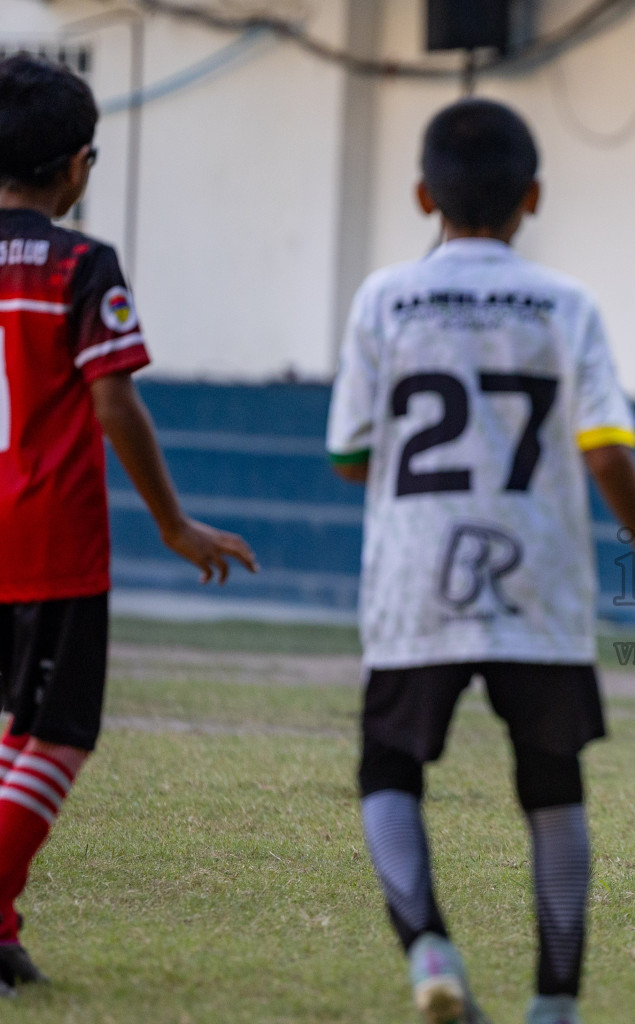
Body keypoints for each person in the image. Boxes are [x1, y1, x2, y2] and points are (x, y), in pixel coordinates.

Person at [326, 99, 635, 1024]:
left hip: (419, 576)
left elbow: (348, 453)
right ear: (533, 196)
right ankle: (555, 1005)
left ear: (422, 195)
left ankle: (428, 952)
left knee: (387, 769)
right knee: (552, 783)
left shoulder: (383, 297)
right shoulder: (564, 305)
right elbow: (607, 448)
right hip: (540, 578)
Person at [0, 54, 257, 993]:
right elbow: (114, 406)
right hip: (46, 539)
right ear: (75, 165)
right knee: (57, 734)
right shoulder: (80, 263)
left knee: (18, 731)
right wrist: (175, 522)